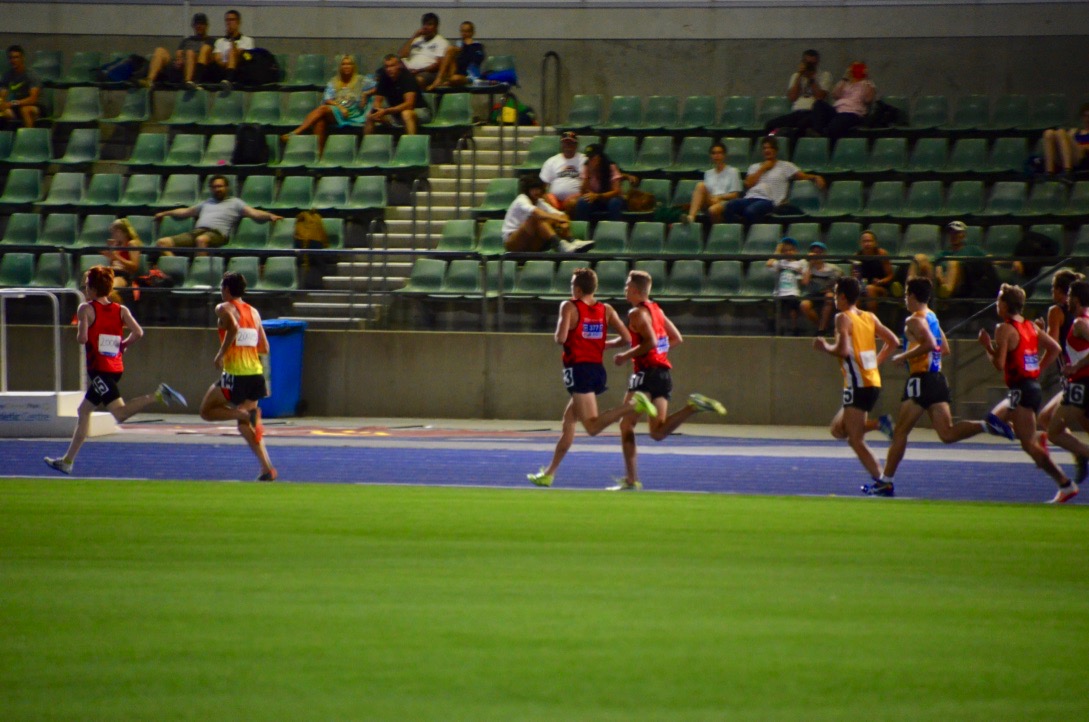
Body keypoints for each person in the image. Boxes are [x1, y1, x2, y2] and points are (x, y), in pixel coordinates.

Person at [866, 277, 1015, 497]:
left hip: (920, 381)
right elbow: (944, 348)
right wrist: (923, 354)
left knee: (900, 432)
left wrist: (904, 357)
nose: (905, 299)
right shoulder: (932, 317)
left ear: (913, 296)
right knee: (947, 433)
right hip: (936, 379)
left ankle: (886, 483)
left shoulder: (913, 320)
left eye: (906, 294)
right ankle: (987, 425)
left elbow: (930, 344)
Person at [43, 266, 187, 475]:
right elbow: (138, 332)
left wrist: (83, 329)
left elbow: (82, 339)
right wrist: (124, 344)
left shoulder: (85, 308)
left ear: (93, 289)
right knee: (84, 411)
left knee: (120, 413)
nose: (84, 288)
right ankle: (67, 461)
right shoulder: (121, 310)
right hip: (115, 368)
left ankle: (158, 395)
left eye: (86, 285)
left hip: (100, 370)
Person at [527, 267, 657, 487]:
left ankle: (635, 404)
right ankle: (549, 473)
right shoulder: (606, 309)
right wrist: (599, 344)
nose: (571, 289)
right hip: (596, 369)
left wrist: (567, 329)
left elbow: (560, 338)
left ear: (577, 289)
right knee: (569, 420)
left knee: (592, 427)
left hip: (579, 370)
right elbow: (626, 338)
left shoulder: (569, 306)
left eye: (572, 285)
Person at [610, 270, 728, 491]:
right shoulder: (657, 310)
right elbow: (676, 338)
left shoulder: (636, 313)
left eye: (627, 286)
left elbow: (650, 342)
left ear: (634, 290)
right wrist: (657, 353)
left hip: (645, 374)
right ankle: (692, 407)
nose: (625, 289)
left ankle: (631, 480)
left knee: (626, 424)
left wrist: (625, 356)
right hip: (662, 375)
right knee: (657, 432)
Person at [978, 283, 1074, 502]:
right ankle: (1038, 441)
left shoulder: (1004, 329)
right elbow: (1055, 348)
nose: (996, 303)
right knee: (1001, 426)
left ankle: (1065, 483)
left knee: (1002, 428)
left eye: (999, 299)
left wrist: (986, 346)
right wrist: (1037, 369)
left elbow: (999, 364)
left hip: (1021, 389)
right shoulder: (1030, 326)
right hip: (1029, 387)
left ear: (1005, 305)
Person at [812, 276, 899, 486]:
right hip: (871, 382)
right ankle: (878, 427)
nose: (834, 298)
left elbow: (842, 350)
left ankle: (883, 482)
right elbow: (893, 341)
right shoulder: (869, 317)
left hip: (857, 384)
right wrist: (875, 362)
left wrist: (824, 347)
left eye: (835, 294)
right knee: (837, 430)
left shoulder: (842, 318)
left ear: (842, 296)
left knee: (855, 439)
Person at [199, 271, 277, 482]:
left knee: (206, 410)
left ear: (226, 289)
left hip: (235, 374)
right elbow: (264, 347)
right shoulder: (254, 312)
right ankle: (267, 468)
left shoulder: (223, 308)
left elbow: (233, 327)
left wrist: (221, 354)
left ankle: (242, 414)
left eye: (221, 287)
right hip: (255, 375)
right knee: (245, 427)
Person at [155, 175, 283, 251]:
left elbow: (254, 213)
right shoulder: (206, 202)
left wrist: (270, 215)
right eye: (215, 187)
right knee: (162, 243)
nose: (218, 189)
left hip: (218, 234)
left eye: (220, 186)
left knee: (201, 240)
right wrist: (164, 213)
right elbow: (185, 212)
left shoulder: (235, 202)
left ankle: (201, 273)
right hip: (197, 232)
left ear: (226, 187)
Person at [1046, 278, 1089, 502]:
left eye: (1070, 296)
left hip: (1081, 384)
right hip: (1080, 383)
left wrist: (1076, 366)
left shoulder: (1081, 323)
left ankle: (1084, 454)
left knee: (1054, 431)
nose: (1067, 300)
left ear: (1077, 299)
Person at [724, 136, 826, 225]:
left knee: (750, 211)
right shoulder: (754, 167)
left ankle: (750, 234)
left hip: (769, 201)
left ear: (776, 150)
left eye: (770, 148)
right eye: (765, 148)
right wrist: (763, 168)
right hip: (750, 198)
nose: (767, 150)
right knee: (730, 206)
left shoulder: (785, 166)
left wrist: (815, 177)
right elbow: (749, 184)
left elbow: (802, 176)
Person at [281, 55, 368, 153]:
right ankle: (319, 155)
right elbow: (327, 99)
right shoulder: (334, 81)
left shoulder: (362, 80)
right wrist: (340, 107)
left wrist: (366, 94)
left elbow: (378, 87)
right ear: (340, 67)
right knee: (321, 117)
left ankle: (296, 133)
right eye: (343, 64)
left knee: (321, 115)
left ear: (353, 66)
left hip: (353, 113)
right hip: (338, 111)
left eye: (349, 64)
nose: (346, 66)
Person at [502, 175, 592, 253]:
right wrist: (556, 218)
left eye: (539, 189)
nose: (537, 192)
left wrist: (565, 222)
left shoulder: (540, 202)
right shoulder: (521, 199)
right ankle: (560, 245)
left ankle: (571, 240)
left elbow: (561, 215)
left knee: (551, 219)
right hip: (512, 242)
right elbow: (536, 212)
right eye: (534, 189)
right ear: (527, 189)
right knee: (536, 218)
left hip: (530, 242)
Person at [763, 49, 832, 135]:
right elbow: (792, 97)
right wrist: (800, 76)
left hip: (814, 113)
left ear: (817, 63)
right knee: (770, 125)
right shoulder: (796, 76)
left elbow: (820, 97)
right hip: (797, 112)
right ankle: (771, 141)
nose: (809, 66)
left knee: (801, 125)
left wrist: (811, 79)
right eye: (807, 63)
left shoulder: (825, 75)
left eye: (812, 64)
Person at [363, 54, 432, 136]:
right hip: (395, 113)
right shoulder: (384, 77)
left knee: (406, 114)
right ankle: (366, 142)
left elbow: (409, 105)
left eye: (392, 66)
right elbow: (377, 101)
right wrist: (377, 111)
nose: (389, 69)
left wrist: (386, 111)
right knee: (371, 115)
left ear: (399, 65)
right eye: (387, 67)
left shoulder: (407, 78)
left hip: (419, 111)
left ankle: (411, 142)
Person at [811, 62, 876, 144]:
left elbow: (868, 99)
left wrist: (866, 79)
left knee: (835, 125)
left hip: (853, 113)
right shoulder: (844, 83)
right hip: (837, 111)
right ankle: (818, 132)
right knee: (819, 104)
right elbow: (835, 95)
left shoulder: (867, 84)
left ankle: (825, 139)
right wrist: (845, 78)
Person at [144, 13, 214, 88]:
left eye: (201, 24)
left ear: (206, 26)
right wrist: (179, 60)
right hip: (180, 66)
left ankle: (188, 82)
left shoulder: (210, 41)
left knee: (190, 53)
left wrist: (189, 58)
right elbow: (179, 52)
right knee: (160, 50)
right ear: (193, 26)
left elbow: (207, 58)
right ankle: (149, 80)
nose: (199, 26)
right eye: (196, 24)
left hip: (195, 68)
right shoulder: (187, 40)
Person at [682, 141, 743, 225]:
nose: (716, 156)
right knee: (700, 185)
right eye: (714, 153)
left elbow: (735, 195)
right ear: (711, 156)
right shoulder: (708, 173)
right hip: (710, 200)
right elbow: (706, 193)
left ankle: (718, 229)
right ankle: (691, 217)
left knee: (713, 210)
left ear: (724, 155)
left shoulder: (733, 171)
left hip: (726, 202)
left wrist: (719, 197)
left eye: (719, 153)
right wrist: (712, 199)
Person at [194, 9, 254, 88]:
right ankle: (196, 80)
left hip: (240, 70)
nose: (229, 23)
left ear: (238, 22)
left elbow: (249, 58)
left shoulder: (248, 40)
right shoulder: (220, 41)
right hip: (221, 70)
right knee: (206, 48)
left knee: (234, 51)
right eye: (227, 20)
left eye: (232, 20)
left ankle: (229, 80)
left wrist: (240, 52)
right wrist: (229, 62)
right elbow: (218, 58)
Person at [427, 20, 485, 91]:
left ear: (472, 33)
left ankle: (447, 82)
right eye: (462, 31)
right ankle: (439, 79)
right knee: (450, 49)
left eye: (467, 31)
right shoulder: (459, 44)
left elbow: (476, 60)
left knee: (455, 78)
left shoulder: (477, 45)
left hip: (470, 75)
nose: (464, 34)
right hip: (457, 72)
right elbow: (458, 62)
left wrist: (468, 46)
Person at [574, 143, 625, 223]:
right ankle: (583, 227)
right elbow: (583, 192)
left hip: (610, 199)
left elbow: (616, 191)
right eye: (589, 158)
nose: (590, 160)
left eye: (592, 157)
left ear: (600, 157)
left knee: (614, 202)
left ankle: (614, 227)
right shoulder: (586, 167)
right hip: (596, 200)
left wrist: (598, 196)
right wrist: (588, 175)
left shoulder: (610, 167)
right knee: (582, 201)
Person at [799, 241, 843, 333]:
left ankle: (822, 328)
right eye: (814, 252)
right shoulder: (807, 267)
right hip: (812, 294)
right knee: (804, 305)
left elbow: (841, 276)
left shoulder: (832, 268)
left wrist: (831, 287)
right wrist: (810, 265)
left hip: (826, 293)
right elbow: (805, 282)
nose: (817, 255)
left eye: (819, 252)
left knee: (829, 297)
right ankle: (821, 327)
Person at [539, 131, 586, 214]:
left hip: (576, 198)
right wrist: (546, 197)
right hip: (554, 199)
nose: (568, 145)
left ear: (576, 145)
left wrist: (580, 194)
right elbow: (542, 185)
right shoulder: (551, 161)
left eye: (571, 143)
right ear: (561, 145)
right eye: (565, 143)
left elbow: (588, 182)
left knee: (572, 203)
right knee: (544, 200)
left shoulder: (584, 160)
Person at [399, 12, 450, 88]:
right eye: (424, 24)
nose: (426, 27)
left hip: (426, 72)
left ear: (436, 27)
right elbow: (402, 55)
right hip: (407, 70)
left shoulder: (441, 42)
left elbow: (438, 65)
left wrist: (418, 70)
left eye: (429, 24)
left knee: (417, 81)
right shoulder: (416, 39)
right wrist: (414, 36)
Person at [767, 236, 805, 335]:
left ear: (795, 251)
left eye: (791, 250)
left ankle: (794, 328)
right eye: (785, 250)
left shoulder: (799, 263)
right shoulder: (780, 262)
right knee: (778, 310)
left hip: (793, 291)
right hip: (779, 292)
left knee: (793, 309)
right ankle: (779, 328)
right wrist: (777, 251)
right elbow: (769, 264)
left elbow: (803, 277)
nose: (788, 252)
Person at [1042, 102, 1089, 178]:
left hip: (1083, 159)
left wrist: (1082, 147)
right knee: (1048, 133)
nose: (1087, 119)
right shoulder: (1075, 131)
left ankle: (1068, 171)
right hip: (1067, 156)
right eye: (1085, 116)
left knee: (1061, 132)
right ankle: (1049, 172)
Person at [0, 45, 42, 128]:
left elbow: (33, 99)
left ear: (22, 58)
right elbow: (2, 95)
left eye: (16, 57)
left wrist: (12, 103)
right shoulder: (7, 76)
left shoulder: (31, 75)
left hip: (36, 106)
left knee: (25, 110)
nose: (13, 60)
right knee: (5, 112)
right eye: (11, 58)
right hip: (16, 107)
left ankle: (29, 135)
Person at [102, 218, 142, 302]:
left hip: (123, 275)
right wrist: (111, 255)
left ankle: (121, 310)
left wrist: (117, 257)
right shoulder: (117, 244)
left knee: (109, 292)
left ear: (119, 232)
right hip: (112, 272)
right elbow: (113, 262)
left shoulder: (132, 243)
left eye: (113, 232)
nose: (112, 236)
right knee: (88, 277)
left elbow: (134, 266)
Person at [855, 229, 894, 313]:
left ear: (875, 243)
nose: (867, 244)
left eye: (869, 241)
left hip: (881, 288)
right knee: (855, 291)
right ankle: (855, 318)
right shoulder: (857, 256)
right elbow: (854, 278)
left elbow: (890, 275)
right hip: (863, 287)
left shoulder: (881, 254)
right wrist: (856, 277)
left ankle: (871, 319)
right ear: (860, 243)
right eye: (864, 241)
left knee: (870, 288)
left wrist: (881, 281)